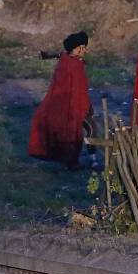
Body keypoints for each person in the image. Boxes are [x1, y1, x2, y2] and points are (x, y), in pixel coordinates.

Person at [28, 31, 95, 170]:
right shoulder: (74, 66)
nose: (84, 51)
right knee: (90, 128)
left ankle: (77, 160)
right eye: (81, 48)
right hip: (73, 106)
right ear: (75, 49)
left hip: (60, 105)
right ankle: (92, 160)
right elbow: (77, 91)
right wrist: (85, 107)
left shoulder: (66, 60)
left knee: (83, 129)